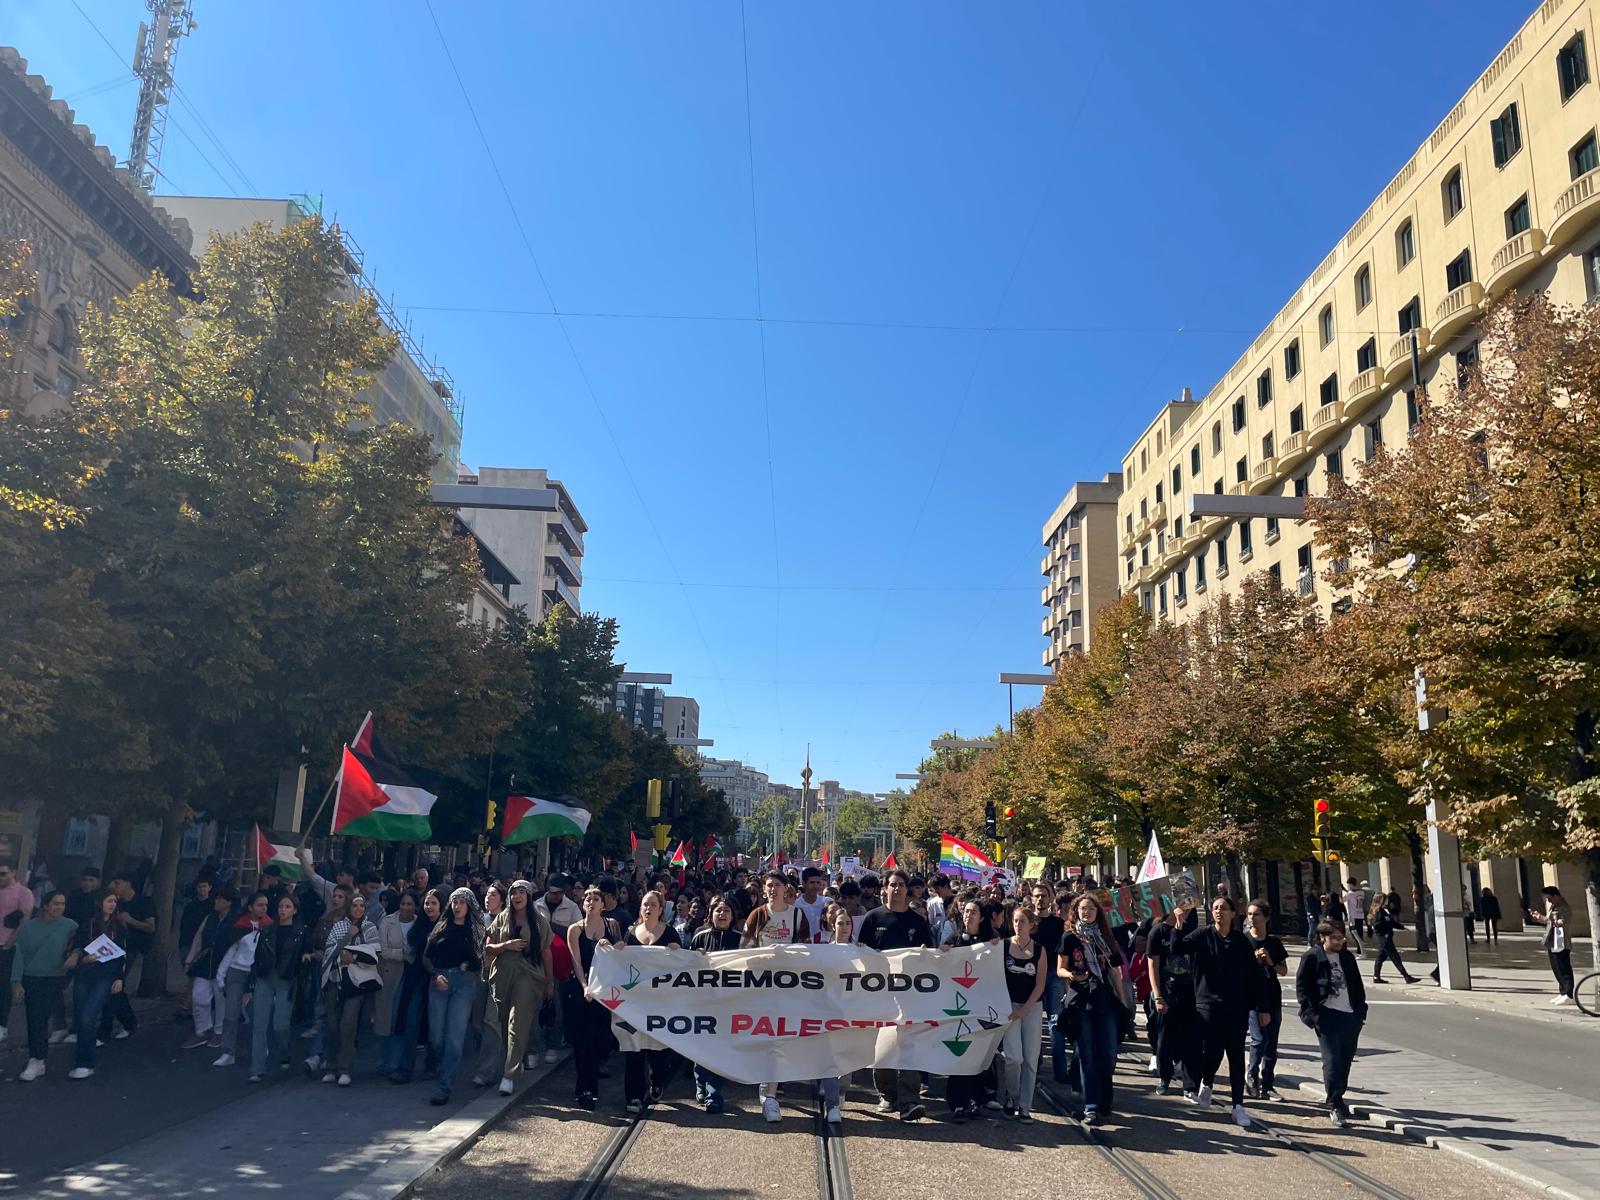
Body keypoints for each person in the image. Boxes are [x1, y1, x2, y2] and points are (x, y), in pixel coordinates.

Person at [1170, 895, 1273, 1128]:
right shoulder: (1202, 935)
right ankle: (1206, 1082)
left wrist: (1263, 1008)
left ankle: (1238, 1105)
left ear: (1233, 914)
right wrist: (1178, 925)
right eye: (1215, 908)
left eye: (1224, 908)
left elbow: (1254, 976)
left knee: (1236, 1055)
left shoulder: (1240, 941)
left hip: (1236, 1006)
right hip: (1208, 1004)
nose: (1219, 912)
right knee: (1213, 1050)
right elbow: (1177, 949)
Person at [858, 868, 932, 1121]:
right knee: (884, 1045)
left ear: (907, 889)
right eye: (893, 884)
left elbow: (929, 955)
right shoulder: (873, 918)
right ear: (885, 889)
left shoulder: (917, 922)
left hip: (910, 994)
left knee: (910, 1045)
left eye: (901, 884)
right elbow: (862, 955)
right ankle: (887, 1094)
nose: (897, 888)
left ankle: (910, 1099)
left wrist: (927, 952)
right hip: (881, 993)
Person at [744, 871, 811, 1123]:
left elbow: (807, 951)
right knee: (763, 1037)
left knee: (778, 1037)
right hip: (761, 986)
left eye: (777, 885)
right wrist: (763, 957)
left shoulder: (797, 916)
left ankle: (770, 1094)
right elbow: (743, 950)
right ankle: (766, 1086)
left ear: (786, 889)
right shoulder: (757, 915)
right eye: (769, 886)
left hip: (786, 987)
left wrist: (787, 955)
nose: (772, 890)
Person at [1058, 894, 1125, 1125]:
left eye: (1091, 909)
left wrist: (1123, 1001)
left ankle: (1105, 1101)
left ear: (1098, 913)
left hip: (1105, 1000)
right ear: (1076, 912)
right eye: (1083, 909)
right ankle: (1092, 1107)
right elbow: (1060, 969)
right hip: (1081, 1000)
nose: (1087, 913)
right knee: (1087, 1054)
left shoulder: (1105, 937)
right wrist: (1072, 976)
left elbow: (1115, 971)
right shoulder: (1070, 937)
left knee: (1108, 1053)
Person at [1296, 919, 1368, 1127]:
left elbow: (1357, 985)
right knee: (1333, 1061)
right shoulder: (1312, 957)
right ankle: (1334, 1103)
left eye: (1341, 937)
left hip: (1350, 1016)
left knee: (1345, 1060)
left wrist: (1360, 1013)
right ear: (1323, 938)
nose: (1339, 941)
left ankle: (1339, 1097)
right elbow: (1302, 987)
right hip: (1327, 1016)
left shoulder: (1346, 957)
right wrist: (1312, 1014)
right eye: (1334, 938)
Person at [485, 879, 554, 1095]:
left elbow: (546, 953)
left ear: (529, 896)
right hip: (503, 974)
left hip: (528, 974)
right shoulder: (502, 918)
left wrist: (549, 982)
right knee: (506, 1022)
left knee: (518, 1021)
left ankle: (509, 1075)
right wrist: (506, 945)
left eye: (522, 892)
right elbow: (488, 948)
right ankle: (518, 1059)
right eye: (514, 893)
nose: (517, 896)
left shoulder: (539, 921)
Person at [424, 887, 484, 1105]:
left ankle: (444, 1085)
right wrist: (435, 974)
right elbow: (426, 957)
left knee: (455, 1039)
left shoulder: (475, 930)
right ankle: (439, 1065)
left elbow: (480, 959)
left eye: (462, 902)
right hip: (440, 980)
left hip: (463, 984)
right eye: (454, 902)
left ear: (469, 905)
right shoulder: (442, 926)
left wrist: (469, 966)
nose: (457, 906)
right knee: (436, 1035)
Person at [622, 890, 679, 1115]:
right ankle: (634, 1095)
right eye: (645, 904)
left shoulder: (670, 933)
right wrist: (611, 949)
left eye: (653, 904)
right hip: (635, 1003)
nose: (648, 908)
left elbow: (682, 965)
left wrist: (677, 952)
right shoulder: (630, 933)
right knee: (633, 1050)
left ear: (660, 909)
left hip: (661, 1003)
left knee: (658, 1051)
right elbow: (620, 963)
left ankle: (657, 1081)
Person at [10, 890, 77, 1080]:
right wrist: (16, 981)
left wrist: (75, 954)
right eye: (55, 903)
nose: (59, 907)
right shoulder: (28, 928)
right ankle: (38, 1058)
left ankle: (37, 1059)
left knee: (39, 1016)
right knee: (34, 1018)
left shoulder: (70, 926)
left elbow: (81, 942)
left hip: (55, 977)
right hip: (31, 976)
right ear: (45, 906)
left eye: (62, 904)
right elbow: (19, 955)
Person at [567, 885, 623, 1110]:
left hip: (604, 991)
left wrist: (612, 946)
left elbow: (621, 948)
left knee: (598, 1040)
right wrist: (584, 986)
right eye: (587, 899)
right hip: (582, 991)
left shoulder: (612, 925)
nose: (591, 902)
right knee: (582, 1041)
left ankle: (591, 1083)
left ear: (603, 905)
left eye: (595, 899)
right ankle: (584, 1089)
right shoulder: (575, 929)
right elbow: (576, 961)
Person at [320, 890, 379, 1086]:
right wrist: (348, 937)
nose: (358, 909)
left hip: (356, 984)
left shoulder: (370, 928)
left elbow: (375, 952)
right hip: (335, 981)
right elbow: (329, 951)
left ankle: (345, 1068)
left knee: (348, 1025)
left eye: (361, 905)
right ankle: (331, 1066)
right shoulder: (339, 926)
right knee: (332, 1025)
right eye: (354, 905)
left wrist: (353, 957)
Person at [689, 897, 742, 1113]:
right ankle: (700, 1084)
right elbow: (687, 967)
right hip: (702, 1001)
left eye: (726, 910)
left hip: (727, 1002)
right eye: (718, 910)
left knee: (717, 1049)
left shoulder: (740, 939)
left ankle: (714, 1095)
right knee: (701, 1047)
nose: (722, 914)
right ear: (710, 914)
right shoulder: (700, 936)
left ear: (733, 915)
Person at [67, 888, 127, 1079]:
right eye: (109, 901)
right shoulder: (88, 924)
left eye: (114, 901)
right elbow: (78, 944)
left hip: (106, 975)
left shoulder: (118, 926)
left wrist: (119, 978)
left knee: (87, 1016)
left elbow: (122, 955)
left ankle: (85, 1063)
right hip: (85, 974)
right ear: (100, 902)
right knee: (81, 1017)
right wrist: (83, 958)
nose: (112, 905)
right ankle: (82, 1057)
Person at [945, 898, 995, 1121]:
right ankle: (957, 1102)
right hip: (958, 1005)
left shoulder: (991, 942)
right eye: (966, 911)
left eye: (973, 912)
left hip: (981, 1005)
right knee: (959, 1053)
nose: (968, 915)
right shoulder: (954, 940)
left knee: (978, 1054)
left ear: (982, 918)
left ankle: (976, 1098)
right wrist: (940, 953)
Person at [380, 887, 437, 1083]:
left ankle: (432, 1065)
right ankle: (405, 1068)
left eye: (434, 903)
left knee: (434, 1025)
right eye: (427, 903)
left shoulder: (445, 925)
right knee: (410, 1023)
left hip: (436, 980)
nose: (429, 907)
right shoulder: (419, 925)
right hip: (415, 980)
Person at [249, 892, 307, 1081]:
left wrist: (304, 961)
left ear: (295, 910)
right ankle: (257, 1069)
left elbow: (305, 953)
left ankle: (284, 1051)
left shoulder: (300, 931)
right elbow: (258, 955)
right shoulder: (267, 930)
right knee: (259, 1024)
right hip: (266, 976)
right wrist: (254, 977)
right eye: (281, 906)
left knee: (280, 1024)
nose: (283, 910)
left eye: (287, 907)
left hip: (286, 978)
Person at [213, 891, 273, 1068]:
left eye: (266, 905)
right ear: (251, 907)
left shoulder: (270, 926)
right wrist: (221, 976)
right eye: (260, 905)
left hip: (259, 973)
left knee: (258, 1012)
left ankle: (260, 1046)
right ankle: (228, 1052)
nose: (264, 908)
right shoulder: (239, 926)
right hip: (237, 971)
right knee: (231, 1013)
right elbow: (230, 951)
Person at [999, 903, 1047, 1122]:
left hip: (1032, 1007)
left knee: (1030, 1059)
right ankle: (1012, 1095)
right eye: (1016, 921)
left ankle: (1025, 1106)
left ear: (1032, 925)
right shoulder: (1003, 946)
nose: (1018, 925)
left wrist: (1025, 1010)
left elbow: (1040, 984)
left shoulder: (1039, 950)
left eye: (1023, 922)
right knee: (1013, 1057)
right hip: (1009, 1006)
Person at [1147, 906, 1199, 1098]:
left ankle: (1190, 1085)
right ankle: (1164, 1078)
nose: (1185, 912)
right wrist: (1158, 996)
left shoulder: (1193, 932)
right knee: (1165, 1041)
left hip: (1191, 993)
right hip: (1167, 993)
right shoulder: (1157, 932)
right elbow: (1153, 966)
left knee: (1191, 1041)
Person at [1243, 900, 1288, 1101]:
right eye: (1250, 914)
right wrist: (1252, 960)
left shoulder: (1274, 942)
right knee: (1259, 1038)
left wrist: (1270, 961)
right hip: (1252, 997)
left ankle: (1268, 1084)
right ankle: (1251, 1076)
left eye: (1257, 914)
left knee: (1271, 1041)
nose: (1252, 918)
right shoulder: (1243, 941)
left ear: (1266, 918)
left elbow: (1283, 970)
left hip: (1272, 995)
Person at [181, 890, 234, 1049]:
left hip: (223, 963)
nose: (216, 902)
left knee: (220, 999)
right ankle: (202, 1030)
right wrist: (190, 959)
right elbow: (199, 938)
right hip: (206, 962)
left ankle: (219, 1031)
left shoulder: (235, 920)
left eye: (220, 899)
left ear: (228, 903)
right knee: (199, 996)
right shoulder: (209, 918)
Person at [0, 860, 36, 1046]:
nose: (0, 878)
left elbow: (25, 920)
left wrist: (9, 944)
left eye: (3, 874)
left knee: (3, 986)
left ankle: (2, 1024)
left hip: (6, 944)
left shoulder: (23, 893)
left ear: (13, 872)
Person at [1527, 886, 1574, 1005]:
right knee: (1556, 967)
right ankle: (1563, 992)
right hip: (1553, 941)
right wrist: (1540, 917)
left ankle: (1568, 994)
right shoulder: (1554, 906)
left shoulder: (1563, 907)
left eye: (1549, 898)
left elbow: (1560, 923)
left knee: (1563, 968)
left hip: (1561, 941)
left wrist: (1546, 919)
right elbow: (1549, 921)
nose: (1549, 901)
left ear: (1555, 896)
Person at [1370, 893, 1416, 984]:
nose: (1388, 900)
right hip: (1384, 938)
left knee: (1381, 957)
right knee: (1395, 956)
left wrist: (1402, 927)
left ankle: (1376, 977)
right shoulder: (1378, 912)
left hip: (1387, 937)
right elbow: (1376, 926)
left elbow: (1392, 923)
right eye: (1386, 899)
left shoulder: (1384, 911)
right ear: (1381, 900)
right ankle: (1406, 977)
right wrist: (1385, 933)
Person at [1341, 881, 1366, 954]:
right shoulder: (1361, 892)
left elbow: (1342, 901)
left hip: (1353, 916)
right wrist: (1345, 890)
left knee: (1354, 933)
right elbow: (1353, 895)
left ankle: (1361, 950)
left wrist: (1340, 892)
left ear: (1351, 885)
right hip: (1360, 915)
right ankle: (1360, 949)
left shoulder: (1350, 894)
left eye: (1348, 885)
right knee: (1360, 933)